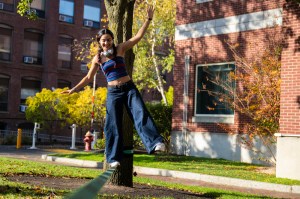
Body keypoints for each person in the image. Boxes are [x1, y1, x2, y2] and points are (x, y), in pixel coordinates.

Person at [61, 6, 165, 168]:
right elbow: (88, 77)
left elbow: (138, 37)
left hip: (129, 88)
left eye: (109, 39)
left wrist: (148, 19)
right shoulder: (98, 59)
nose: (106, 42)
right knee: (112, 123)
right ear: (99, 42)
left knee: (140, 113)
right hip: (113, 92)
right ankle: (113, 158)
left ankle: (154, 142)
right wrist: (74, 89)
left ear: (112, 40)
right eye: (103, 40)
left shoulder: (120, 49)